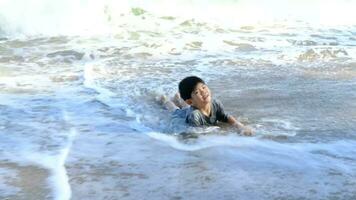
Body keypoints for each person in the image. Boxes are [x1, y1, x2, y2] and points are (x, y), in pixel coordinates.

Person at [159, 76, 253, 136]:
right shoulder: (194, 116)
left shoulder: (215, 103)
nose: (203, 92)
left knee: (186, 107)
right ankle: (164, 99)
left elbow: (225, 117)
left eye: (203, 87)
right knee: (175, 110)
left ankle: (178, 98)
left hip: (192, 106)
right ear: (190, 101)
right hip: (184, 114)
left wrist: (240, 126)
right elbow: (199, 132)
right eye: (197, 92)